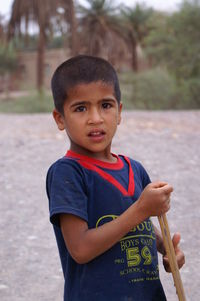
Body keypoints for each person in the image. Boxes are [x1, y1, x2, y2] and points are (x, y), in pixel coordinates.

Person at [46, 55, 185, 301]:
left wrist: (165, 247)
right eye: (81, 108)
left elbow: (137, 225)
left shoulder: (134, 169)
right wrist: (142, 209)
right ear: (60, 118)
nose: (96, 118)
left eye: (106, 105)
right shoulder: (67, 173)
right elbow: (80, 249)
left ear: (119, 112)